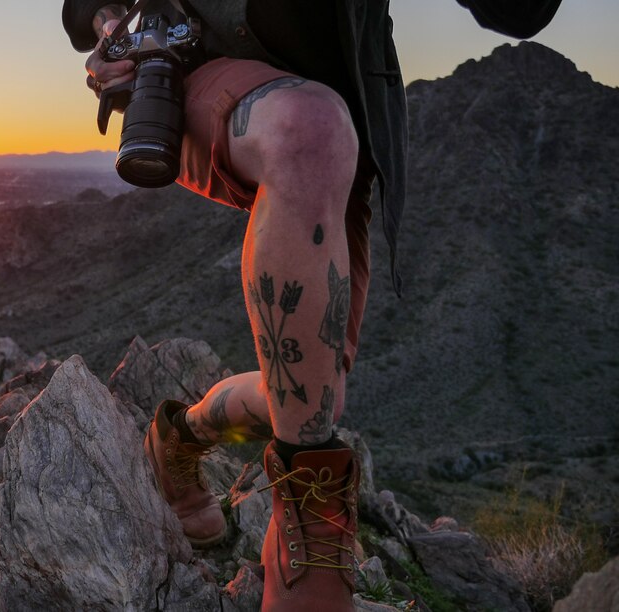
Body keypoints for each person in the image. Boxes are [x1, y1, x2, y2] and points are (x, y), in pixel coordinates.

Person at [62, 1, 561, 610]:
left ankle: (179, 438)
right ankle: (309, 541)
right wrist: (111, 26)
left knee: (307, 395)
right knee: (308, 127)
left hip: (342, 132)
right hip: (206, 71)